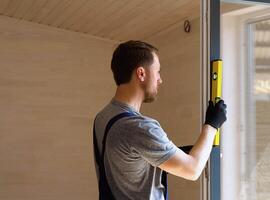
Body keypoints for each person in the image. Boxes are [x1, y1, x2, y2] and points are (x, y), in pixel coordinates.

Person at [93, 40, 227, 200]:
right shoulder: (139, 127)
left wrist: (176, 151)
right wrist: (212, 125)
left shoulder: (103, 117)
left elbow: (128, 159)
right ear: (141, 74)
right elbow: (192, 170)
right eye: (157, 72)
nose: (160, 79)